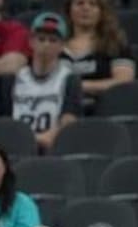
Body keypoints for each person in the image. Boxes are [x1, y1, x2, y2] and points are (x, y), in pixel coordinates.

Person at [7, 11, 82, 151]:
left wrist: (42, 139)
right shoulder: (14, 79)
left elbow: (68, 122)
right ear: (31, 42)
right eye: (41, 39)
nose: (46, 44)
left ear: (62, 46)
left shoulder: (69, 79)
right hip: (17, 146)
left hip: (53, 146)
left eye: (53, 40)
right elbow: (5, 120)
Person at [63, 0, 136, 98]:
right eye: (80, 3)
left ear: (102, 11)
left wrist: (79, 87)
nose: (86, 8)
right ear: (69, 9)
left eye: (93, 4)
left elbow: (124, 82)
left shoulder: (115, 44)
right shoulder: (54, 44)